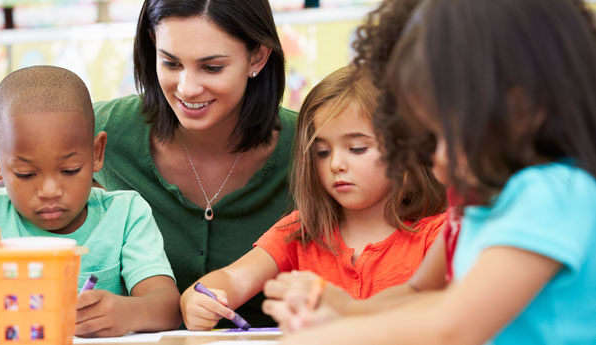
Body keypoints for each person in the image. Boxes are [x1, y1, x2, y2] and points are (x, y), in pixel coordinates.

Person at [278, 0, 596, 343]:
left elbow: (454, 327)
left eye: (447, 136)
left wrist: (333, 335)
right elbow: (422, 294)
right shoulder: (478, 202)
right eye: (427, 137)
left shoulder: (554, 193)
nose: (437, 160)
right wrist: (345, 308)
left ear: (521, 109)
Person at [179, 65, 447, 330]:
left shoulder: (439, 235)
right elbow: (234, 279)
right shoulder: (301, 230)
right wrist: (198, 300)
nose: (336, 164)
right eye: (322, 152)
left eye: (356, 148)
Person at [92, 0, 296, 327]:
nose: (187, 88)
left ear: (257, 56)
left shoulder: (316, 145)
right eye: (171, 63)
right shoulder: (102, 130)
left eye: (212, 67)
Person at [0, 66, 181, 337]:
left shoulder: (125, 214)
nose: (50, 190)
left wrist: (128, 313)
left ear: (97, 153)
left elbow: (168, 308)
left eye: (69, 170)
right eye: (26, 174)